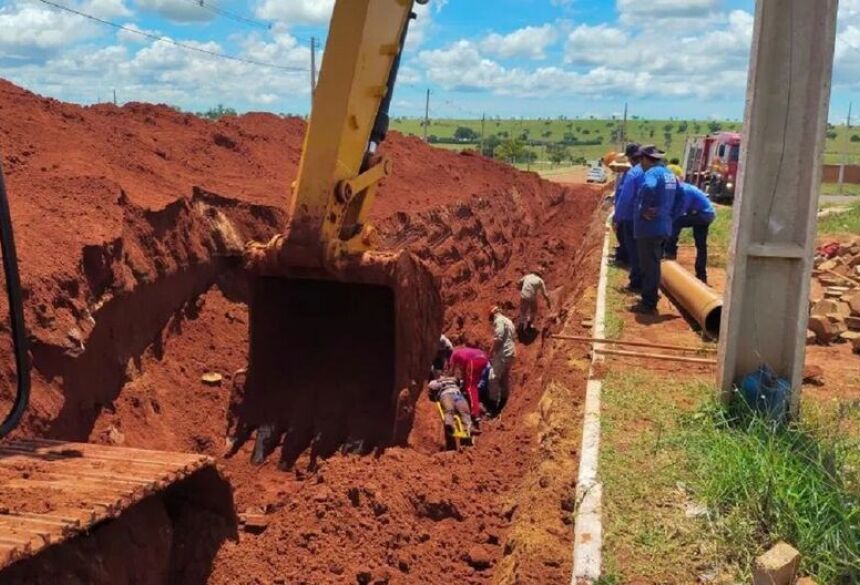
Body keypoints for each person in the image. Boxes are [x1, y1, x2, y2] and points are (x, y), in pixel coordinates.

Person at [631, 145, 678, 315]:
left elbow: (649, 187)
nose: (639, 164)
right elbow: (681, 197)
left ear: (644, 159)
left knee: (649, 266)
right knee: (654, 264)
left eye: (640, 160)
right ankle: (650, 297)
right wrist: (670, 215)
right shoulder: (670, 174)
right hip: (664, 227)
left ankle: (648, 303)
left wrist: (644, 209)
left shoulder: (651, 173)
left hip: (649, 229)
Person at [665, 176, 716, 283]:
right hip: (706, 214)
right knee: (701, 245)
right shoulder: (685, 188)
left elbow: (680, 211)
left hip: (703, 215)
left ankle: (670, 254)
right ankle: (701, 275)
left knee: (676, 222)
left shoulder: (685, 191)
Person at [616, 143, 644, 291]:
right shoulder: (660, 172)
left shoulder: (634, 173)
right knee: (647, 255)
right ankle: (646, 285)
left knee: (634, 251)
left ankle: (636, 283)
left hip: (631, 218)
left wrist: (618, 217)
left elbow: (625, 199)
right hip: (651, 221)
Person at [449, 346, 489, 426]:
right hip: (485, 359)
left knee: (471, 387)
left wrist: (449, 378)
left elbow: (451, 370)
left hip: (475, 360)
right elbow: (465, 371)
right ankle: (482, 403)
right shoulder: (465, 353)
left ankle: (475, 413)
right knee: (474, 383)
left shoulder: (454, 355)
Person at [487, 306, 516, 416]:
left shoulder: (499, 320)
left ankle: (493, 406)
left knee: (492, 377)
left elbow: (498, 338)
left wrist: (491, 352)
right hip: (511, 353)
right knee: (504, 378)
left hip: (503, 353)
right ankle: (503, 403)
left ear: (493, 315)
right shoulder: (508, 321)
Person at [428, 371, 473, 440]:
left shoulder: (454, 379)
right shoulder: (435, 382)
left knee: (464, 409)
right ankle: (449, 425)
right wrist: (441, 381)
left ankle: (468, 427)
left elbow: (462, 382)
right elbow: (431, 386)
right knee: (449, 408)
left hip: (457, 394)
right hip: (446, 394)